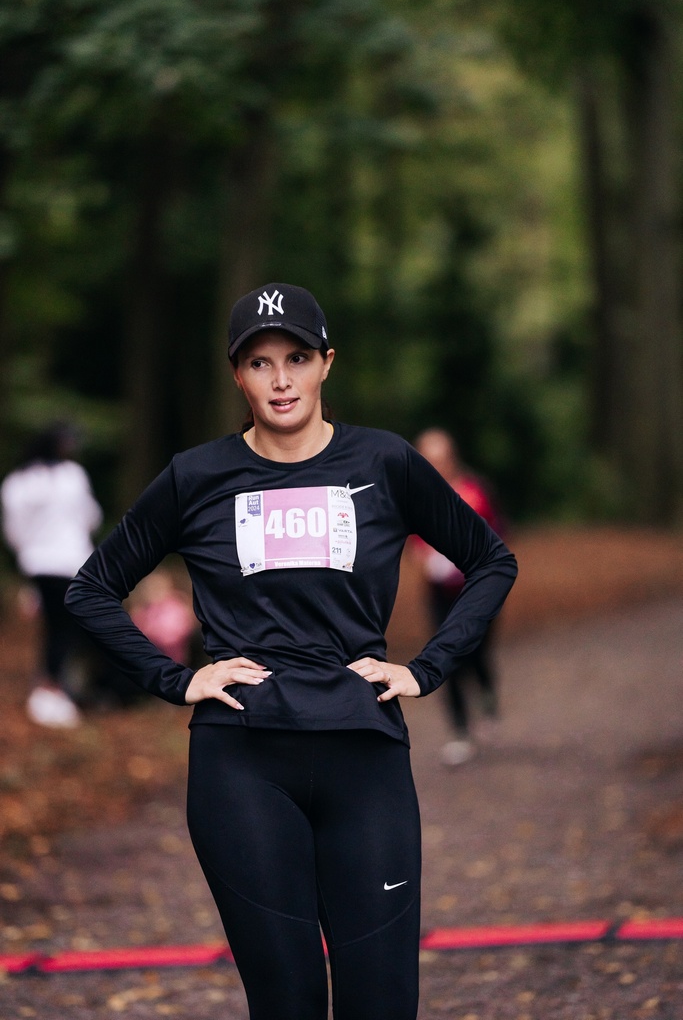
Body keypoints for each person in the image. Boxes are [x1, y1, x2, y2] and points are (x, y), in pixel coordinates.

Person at [65, 283, 517, 1020]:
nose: (280, 380)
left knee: (381, 1002)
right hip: (241, 766)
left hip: (363, 756)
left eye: (297, 358)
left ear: (326, 363)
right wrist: (176, 680)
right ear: (236, 375)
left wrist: (425, 668)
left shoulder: (385, 461)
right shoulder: (195, 476)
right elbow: (90, 590)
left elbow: (491, 561)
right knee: (288, 1002)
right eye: (259, 362)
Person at [413, 427, 507, 766]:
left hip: (478, 591)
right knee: (447, 657)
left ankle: (487, 696)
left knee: (478, 654)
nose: (435, 466)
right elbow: (413, 541)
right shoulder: (417, 498)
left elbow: (498, 536)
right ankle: (460, 733)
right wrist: (425, 558)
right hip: (440, 594)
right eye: (428, 460)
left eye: (440, 459)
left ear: (452, 459)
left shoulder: (475, 492)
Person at [1, 421, 103, 728]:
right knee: (67, 628)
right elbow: (91, 517)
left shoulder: (17, 482)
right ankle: (54, 687)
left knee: (56, 626)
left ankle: (55, 684)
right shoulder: (72, 476)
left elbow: (13, 529)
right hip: (71, 562)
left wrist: (30, 549)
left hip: (39, 563)